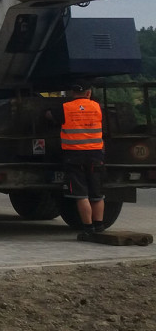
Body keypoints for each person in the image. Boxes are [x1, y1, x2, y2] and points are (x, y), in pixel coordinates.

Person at [59, 85, 106, 239]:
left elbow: (49, 117)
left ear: (72, 92)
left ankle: (88, 229)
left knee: (81, 194)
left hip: (74, 156)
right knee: (97, 194)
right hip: (95, 154)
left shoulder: (65, 108)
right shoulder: (97, 107)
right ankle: (99, 226)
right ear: (88, 92)